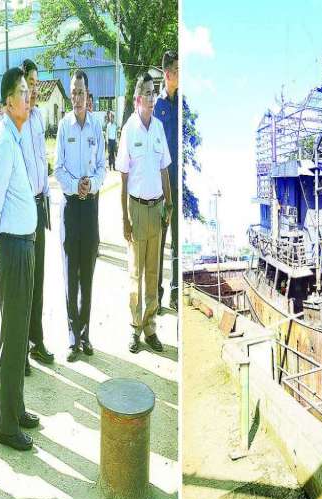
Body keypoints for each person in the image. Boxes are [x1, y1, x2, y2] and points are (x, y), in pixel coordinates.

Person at [0, 66, 39, 451]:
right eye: (21, 92)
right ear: (7, 102)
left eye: (28, 91)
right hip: (13, 248)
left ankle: (16, 407)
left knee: (20, 336)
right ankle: (6, 426)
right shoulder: (4, 144)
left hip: (25, 245)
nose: (28, 96)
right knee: (13, 336)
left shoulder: (16, 137)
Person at [116, 73, 173, 353]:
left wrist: (169, 205)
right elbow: (123, 177)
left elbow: (164, 170)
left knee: (153, 272)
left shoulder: (159, 128)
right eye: (148, 93)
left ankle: (150, 328)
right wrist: (124, 219)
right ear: (138, 98)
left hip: (157, 208)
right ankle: (134, 328)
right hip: (137, 209)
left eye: (154, 92)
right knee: (135, 274)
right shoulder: (129, 130)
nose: (152, 98)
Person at [55, 70, 105, 362]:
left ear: (88, 95)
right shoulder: (64, 126)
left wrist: (92, 184)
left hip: (91, 208)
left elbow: (102, 167)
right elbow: (58, 168)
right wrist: (76, 186)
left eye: (81, 92)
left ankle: (85, 335)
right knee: (70, 275)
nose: (77, 98)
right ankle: (72, 337)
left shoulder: (97, 126)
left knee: (87, 274)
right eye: (73, 92)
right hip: (71, 207)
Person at [21, 59, 54, 368]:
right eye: (29, 84)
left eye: (35, 84)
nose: (33, 89)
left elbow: (42, 160)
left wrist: (47, 195)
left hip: (40, 203)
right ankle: (21, 349)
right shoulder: (15, 122)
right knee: (24, 281)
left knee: (39, 278)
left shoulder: (38, 118)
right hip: (23, 209)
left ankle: (37, 341)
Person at [154, 50, 179, 311]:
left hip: (178, 185)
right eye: (178, 70)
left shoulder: (180, 103)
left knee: (177, 242)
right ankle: (157, 294)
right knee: (160, 242)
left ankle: (175, 293)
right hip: (162, 187)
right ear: (167, 73)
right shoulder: (157, 107)